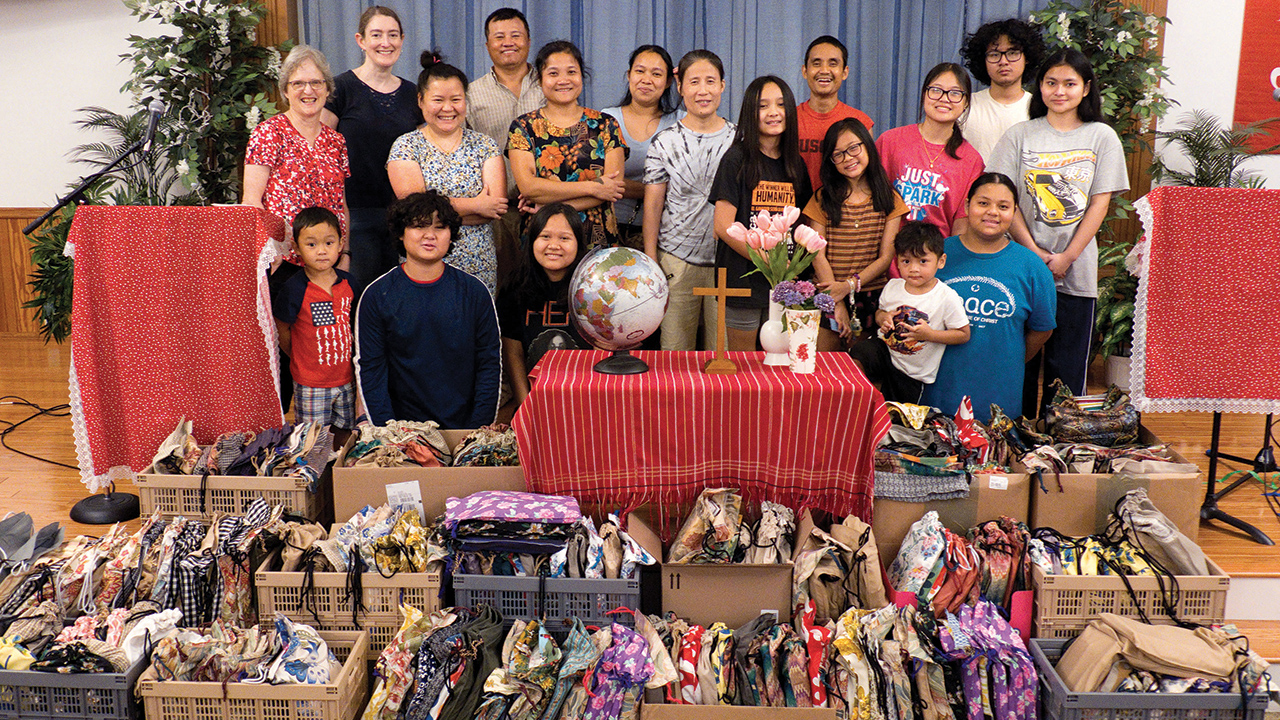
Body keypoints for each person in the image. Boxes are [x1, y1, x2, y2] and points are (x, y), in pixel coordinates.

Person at [989, 49, 1129, 414]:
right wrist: (1034, 253)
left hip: (1076, 271)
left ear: (1086, 89)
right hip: (1022, 265)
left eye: (1070, 83)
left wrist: (1067, 256)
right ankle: (1014, 442)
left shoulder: (1102, 136)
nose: (1059, 91)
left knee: (1065, 373)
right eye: (1051, 82)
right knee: (1017, 365)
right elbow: (1005, 199)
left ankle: (1060, 449)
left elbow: (1100, 203)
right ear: (1040, 87)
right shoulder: (1019, 134)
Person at [355, 191, 501, 428]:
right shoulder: (376, 295)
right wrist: (390, 433)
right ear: (401, 233)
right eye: (418, 226)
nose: (429, 235)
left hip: (465, 432)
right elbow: (371, 370)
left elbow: (489, 364)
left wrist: (476, 432)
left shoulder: (475, 292)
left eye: (440, 227)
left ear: (451, 235)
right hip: (401, 435)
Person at [922, 173, 1056, 422]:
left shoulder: (1032, 268)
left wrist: (1008, 358)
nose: (992, 212)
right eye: (983, 203)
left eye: (1003, 207)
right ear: (967, 206)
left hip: (999, 400)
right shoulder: (937, 254)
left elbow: (1042, 330)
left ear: (1014, 212)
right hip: (936, 396)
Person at [320, 6, 422, 294]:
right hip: (354, 215)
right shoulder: (340, 88)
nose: (385, 43)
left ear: (402, 39)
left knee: (401, 300)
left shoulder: (413, 94)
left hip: (404, 216)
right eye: (376, 35)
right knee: (359, 299)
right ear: (360, 40)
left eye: (392, 35)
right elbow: (322, 153)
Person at [387, 52, 506, 295]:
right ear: (420, 101)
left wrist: (434, 213)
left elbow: (494, 208)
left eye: (456, 99)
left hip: (478, 264)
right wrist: (476, 205)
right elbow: (413, 210)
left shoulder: (485, 145)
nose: (448, 108)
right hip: (423, 263)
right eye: (438, 100)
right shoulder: (405, 146)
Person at [710, 76, 813, 350]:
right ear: (749, 113)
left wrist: (788, 270)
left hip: (784, 285)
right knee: (743, 369)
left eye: (780, 104)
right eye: (763, 106)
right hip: (741, 282)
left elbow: (803, 225)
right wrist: (767, 261)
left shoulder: (796, 165)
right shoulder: (736, 159)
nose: (773, 112)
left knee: (779, 364)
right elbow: (722, 226)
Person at [643, 50, 736, 351]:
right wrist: (651, 259)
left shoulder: (741, 140)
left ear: (723, 85)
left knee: (724, 356)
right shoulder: (664, 142)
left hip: (729, 261)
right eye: (693, 81)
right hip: (676, 260)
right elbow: (653, 205)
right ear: (680, 86)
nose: (703, 90)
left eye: (711, 81)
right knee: (674, 353)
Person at [509, 41, 628, 249]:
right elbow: (529, 187)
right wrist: (593, 187)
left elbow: (611, 190)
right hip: (543, 237)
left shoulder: (606, 125)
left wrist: (547, 205)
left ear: (582, 75)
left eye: (571, 72)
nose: (563, 80)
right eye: (553, 73)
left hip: (596, 237)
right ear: (540, 79)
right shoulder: (523, 127)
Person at [805, 117, 908, 348]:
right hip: (827, 291)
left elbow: (885, 257)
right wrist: (837, 300)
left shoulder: (889, 199)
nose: (848, 158)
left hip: (870, 296)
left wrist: (849, 286)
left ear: (867, 146)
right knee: (822, 369)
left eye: (853, 148)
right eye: (838, 154)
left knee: (861, 372)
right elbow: (816, 254)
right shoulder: (822, 198)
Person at [244, 44, 350, 260]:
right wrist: (268, 253)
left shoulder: (336, 141)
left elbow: (342, 205)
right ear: (285, 91)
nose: (308, 90)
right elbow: (251, 201)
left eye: (316, 83)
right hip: (281, 261)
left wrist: (345, 253)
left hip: (327, 261)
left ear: (328, 89)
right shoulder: (268, 133)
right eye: (298, 83)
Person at [848, 223, 970, 403]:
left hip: (912, 374)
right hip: (885, 352)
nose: (914, 269)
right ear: (896, 261)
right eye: (906, 261)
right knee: (861, 351)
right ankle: (855, 398)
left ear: (941, 261)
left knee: (898, 420)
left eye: (922, 261)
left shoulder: (946, 297)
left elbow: (963, 334)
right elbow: (879, 313)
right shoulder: (893, 286)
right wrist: (883, 318)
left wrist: (930, 334)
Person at [466, 7, 546, 278]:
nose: (508, 42)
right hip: (496, 213)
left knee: (543, 293)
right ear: (487, 45)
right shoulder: (470, 94)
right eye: (499, 37)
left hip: (547, 208)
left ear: (529, 41)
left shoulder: (550, 84)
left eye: (516, 35)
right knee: (500, 291)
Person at [272, 208, 356, 447]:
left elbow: (355, 325)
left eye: (329, 243)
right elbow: (282, 329)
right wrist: (298, 355)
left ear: (340, 244)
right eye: (311, 245)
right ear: (296, 249)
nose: (321, 251)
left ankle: (339, 481)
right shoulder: (294, 288)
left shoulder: (350, 283)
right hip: (310, 383)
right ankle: (315, 483)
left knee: (345, 436)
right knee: (311, 442)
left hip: (345, 380)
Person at [876, 62, 984, 237]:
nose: (944, 98)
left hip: (935, 259)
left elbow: (961, 227)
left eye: (955, 93)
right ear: (924, 94)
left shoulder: (971, 161)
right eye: (936, 90)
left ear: (965, 103)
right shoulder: (890, 141)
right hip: (884, 256)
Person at [497, 203, 588, 406]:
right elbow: (513, 354)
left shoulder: (593, 287)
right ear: (532, 241)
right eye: (545, 237)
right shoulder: (514, 288)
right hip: (534, 397)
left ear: (578, 243)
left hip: (585, 394)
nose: (554, 245)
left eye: (564, 238)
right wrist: (526, 406)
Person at [601, 45, 681, 242]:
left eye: (656, 74)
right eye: (640, 71)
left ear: (669, 81)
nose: (646, 79)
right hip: (610, 227)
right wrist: (659, 190)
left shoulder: (682, 123)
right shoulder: (606, 119)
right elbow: (605, 183)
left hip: (665, 232)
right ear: (629, 75)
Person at [959, 18, 1046, 162]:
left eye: (1012, 53)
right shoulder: (965, 106)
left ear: (1027, 58)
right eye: (994, 54)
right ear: (983, 61)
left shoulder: (1040, 108)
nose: (1003, 61)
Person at [796, 35, 875, 189]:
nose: (824, 70)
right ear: (805, 71)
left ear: (844, 72)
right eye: (816, 63)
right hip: (793, 210)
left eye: (833, 64)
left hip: (844, 210)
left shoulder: (861, 122)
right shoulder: (789, 119)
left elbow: (867, 179)